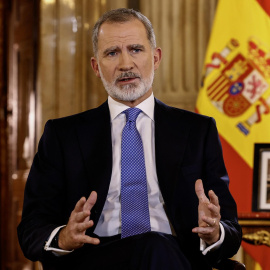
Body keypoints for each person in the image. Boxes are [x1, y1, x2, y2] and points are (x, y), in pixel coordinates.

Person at [18, 8, 242, 270]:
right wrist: (65, 237)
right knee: (153, 245)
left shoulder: (197, 130)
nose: (125, 64)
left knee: (157, 246)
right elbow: (31, 229)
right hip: (95, 259)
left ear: (156, 58)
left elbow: (230, 229)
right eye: (112, 53)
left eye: (136, 49)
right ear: (96, 67)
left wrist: (214, 232)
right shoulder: (62, 135)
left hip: (174, 256)